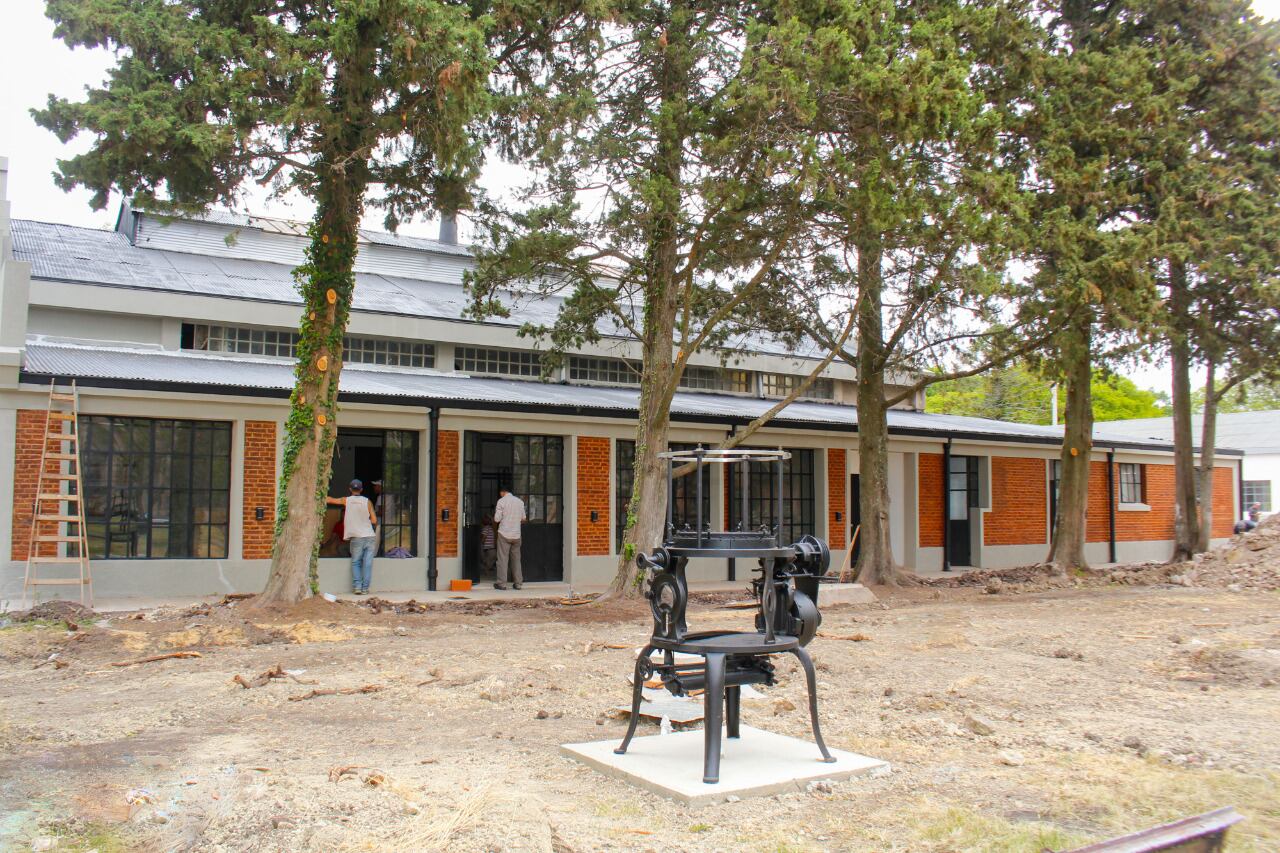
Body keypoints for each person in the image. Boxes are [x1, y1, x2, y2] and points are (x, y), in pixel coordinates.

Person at [326, 479, 378, 595]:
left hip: (357, 537)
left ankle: (358, 587)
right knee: (368, 563)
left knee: (356, 562)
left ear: (350, 489)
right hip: (369, 536)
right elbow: (374, 520)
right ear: (361, 490)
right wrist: (364, 519)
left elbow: (330, 500)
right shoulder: (367, 502)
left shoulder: (346, 501)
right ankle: (365, 588)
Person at [493, 485, 526, 590]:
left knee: (502, 559)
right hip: (516, 535)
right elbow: (523, 519)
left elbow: (497, 519)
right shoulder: (520, 502)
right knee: (516, 560)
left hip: (504, 534)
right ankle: (518, 584)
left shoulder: (501, 502)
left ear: (502, 492)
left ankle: (501, 584)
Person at [480, 511, 497, 579]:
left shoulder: (487, 528)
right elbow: (484, 538)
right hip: (490, 548)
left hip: (489, 548)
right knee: (490, 560)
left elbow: (483, 538)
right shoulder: (489, 528)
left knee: (488, 561)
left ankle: (486, 572)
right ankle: (487, 572)